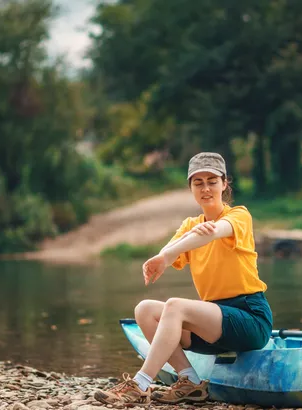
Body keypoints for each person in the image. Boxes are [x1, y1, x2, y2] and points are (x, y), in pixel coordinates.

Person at [93, 152, 273, 406]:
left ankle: (140, 383)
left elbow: (213, 233)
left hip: (250, 318)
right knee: (144, 310)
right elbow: (171, 249)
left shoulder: (239, 216)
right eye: (198, 183)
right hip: (212, 324)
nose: (206, 188)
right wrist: (164, 256)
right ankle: (189, 381)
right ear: (191, 188)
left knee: (175, 305)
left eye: (212, 180)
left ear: (224, 184)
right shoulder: (190, 225)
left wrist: (168, 255)